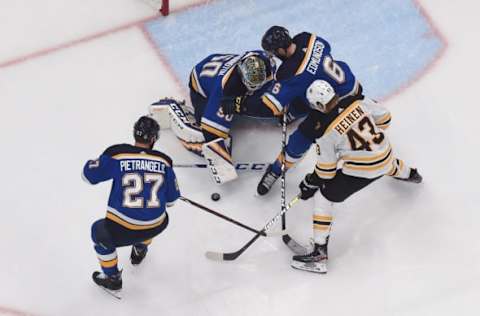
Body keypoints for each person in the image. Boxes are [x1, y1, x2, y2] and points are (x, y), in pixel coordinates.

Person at [281, 80, 422, 273]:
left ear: (318, 106)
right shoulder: (358, 103)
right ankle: (411, 174)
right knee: (384, 161)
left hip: (365, 170)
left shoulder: (326, 133)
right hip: (385, 154)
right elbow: (386, 120)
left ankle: (319, 254)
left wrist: (310, 182)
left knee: (323, 197)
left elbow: (326, 171)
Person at [255, 25, 375, 194]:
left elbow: (270, 106)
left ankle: (276, 170)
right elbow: (322, 52)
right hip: (349, 83)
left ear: (281, 50)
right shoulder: (306, 38)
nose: (274, 55)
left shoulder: (289, 72)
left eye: (275, 52)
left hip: (335, 104)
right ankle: (296, 110)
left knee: (302, 137)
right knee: (305, 90)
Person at [82, 115, 180, 293]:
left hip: (122, 230)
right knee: (152, 216)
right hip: (156, 226)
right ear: (153, 139)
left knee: (99, 232)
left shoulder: (117, 154)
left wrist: (98, 162)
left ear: (135, 134)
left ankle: (112, 278)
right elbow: (172, 201)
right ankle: (140, 248)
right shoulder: (165, 161)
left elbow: (87, 176)